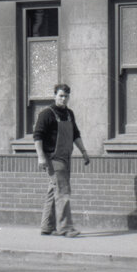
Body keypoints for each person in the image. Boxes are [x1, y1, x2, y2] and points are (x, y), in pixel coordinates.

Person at [33, 83, 90, 237]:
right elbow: (37, 136)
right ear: (54, 96)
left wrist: (84, 151)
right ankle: (65, 228)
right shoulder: (46, 114)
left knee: (54, 190)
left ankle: (47, 226)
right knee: (63, 191)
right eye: (60, 96)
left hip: (66, 157)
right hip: (53, 158)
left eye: (66, 96)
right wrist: (40, 157)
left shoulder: (70, 114)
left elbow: (76, 134)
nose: (63, 99)